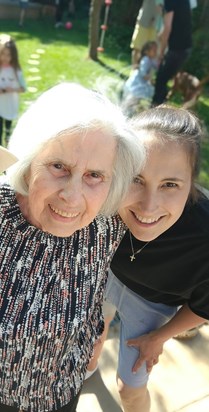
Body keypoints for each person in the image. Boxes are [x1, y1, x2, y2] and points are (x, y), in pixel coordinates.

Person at [0, 82, 145, 412]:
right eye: (58, 167)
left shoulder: (109, 225)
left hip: (59, 395)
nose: (72, 195)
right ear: (30, 159)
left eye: (94, 175)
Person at [86, 105, 209, 412]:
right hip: (108, 276)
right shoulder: (106, 198)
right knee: (96, 329)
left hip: (151, 305)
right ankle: (89, 366)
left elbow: (205, 305)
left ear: (191, 182)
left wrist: (159, 337)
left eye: (170, 184)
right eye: (136, 179)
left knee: (129, 388)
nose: (148, 207)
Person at [152, 0, 192, 106]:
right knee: (162, 79)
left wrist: (161, 53)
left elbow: (168, 27)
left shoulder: (170, 1)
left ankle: (157, 111)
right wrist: (160, 36)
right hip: (185, 47)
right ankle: (159, 108)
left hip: (177, 49)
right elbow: (179, 22)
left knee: (160, 80)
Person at [0, 34, 26, 146]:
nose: (5, 57)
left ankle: (8, 144)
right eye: (3, 54)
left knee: (8, 129)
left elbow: (23, 88)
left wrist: (11, 89)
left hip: (10, 105)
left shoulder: (16, 71)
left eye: (8, 55)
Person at [121, 41, 158, 117]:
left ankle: (129, 113)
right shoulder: (146, 60)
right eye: (153, 50)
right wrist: (150, 78)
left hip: (141, 83)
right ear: (146, 51)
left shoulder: (151, 59)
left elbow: (156, 66)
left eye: (156, 51)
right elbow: (143, 73)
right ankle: (125, 113)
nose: (155, 53)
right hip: (137, 82)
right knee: (132, 98)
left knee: (135, 99)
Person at [130, 0, 163, 69]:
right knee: (137, 48)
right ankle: (134, 72)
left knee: (153, 52)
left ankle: (147, 76)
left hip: (157, 24)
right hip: (144, 19)